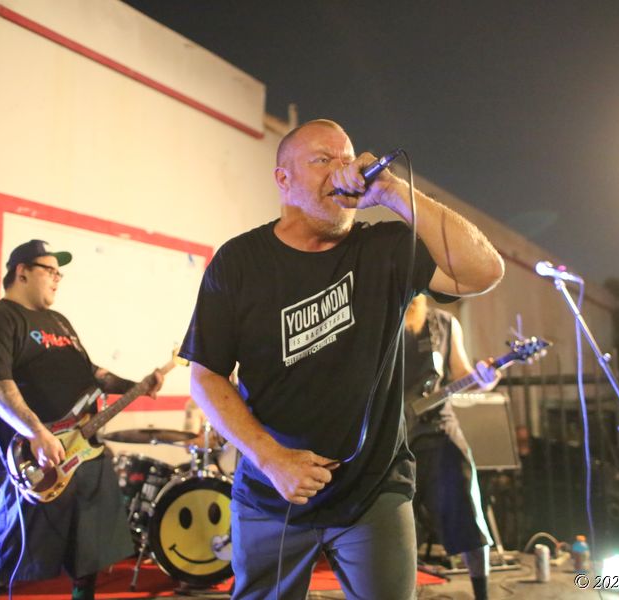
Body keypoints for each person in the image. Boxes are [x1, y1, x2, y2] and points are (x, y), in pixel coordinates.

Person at [179, 119, 504, 599]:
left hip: (374, 490)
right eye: (322, 160)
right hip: (273, 492)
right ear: (283, 179)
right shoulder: (239, 262)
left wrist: (393, 191)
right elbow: (206, 377)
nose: (342, 170)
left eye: (347, 159)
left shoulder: (385, 249)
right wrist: (271, 459)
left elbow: (485, 272)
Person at [0, 239, 164, 600]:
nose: (58, 278)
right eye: (50, 271)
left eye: (60, 273)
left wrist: (136, 386)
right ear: (22, 272)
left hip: (81, 450)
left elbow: (92, 373)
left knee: (88, 546)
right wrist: (36, 432)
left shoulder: (59, 321)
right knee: (9, 543)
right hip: (26, 455)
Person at [403, 294, 498, 600]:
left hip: (438, 429)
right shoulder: (377, 318)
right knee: (395, 527)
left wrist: (485, 379)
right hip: (391, 439)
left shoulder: (443, 324)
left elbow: (462, 375)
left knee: (467, 512)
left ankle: (481, 593)